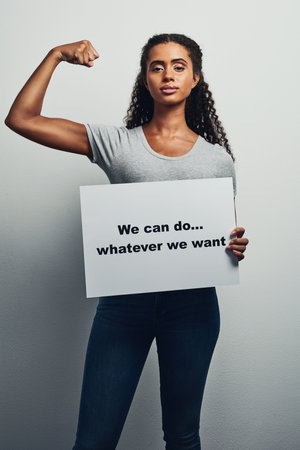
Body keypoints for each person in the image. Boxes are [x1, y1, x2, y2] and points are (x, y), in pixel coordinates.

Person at [5, 34, 249, 450]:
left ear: (195, 79)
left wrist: (233, 248)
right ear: (145, 79)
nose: (167, 74)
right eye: (157, 66)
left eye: (178, 66)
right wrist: (56, 56)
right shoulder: (117, 144)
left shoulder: (218, 159)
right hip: (125, 306)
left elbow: (220, 238)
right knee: (95, 440)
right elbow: (22, 119)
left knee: (183, 435)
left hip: (193, 307)